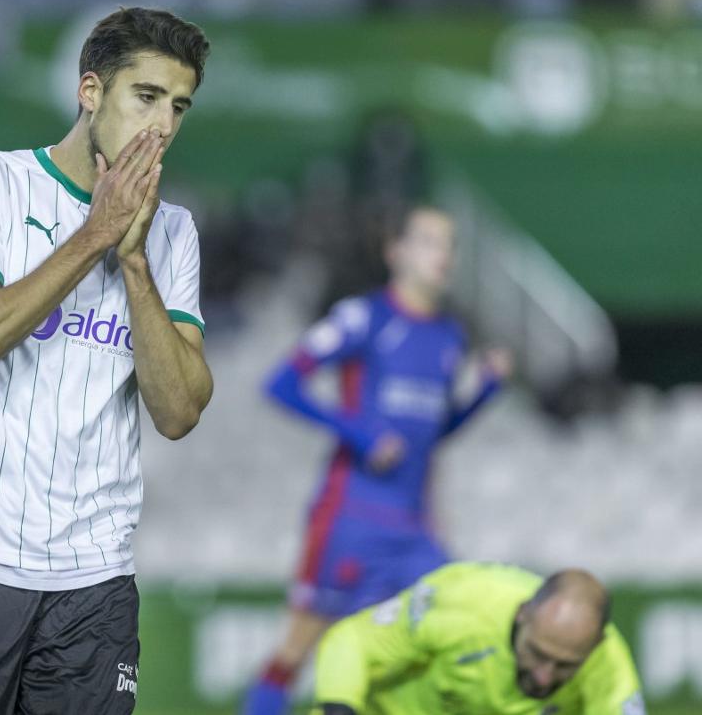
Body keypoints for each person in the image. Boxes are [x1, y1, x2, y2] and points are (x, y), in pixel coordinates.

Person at [0, 7, 213, 714]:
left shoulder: (174, 234)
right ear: (89, 91)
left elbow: (180, 411)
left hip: (94, 585)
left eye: (179, 107)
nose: (162, 127)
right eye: (146, 97)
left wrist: (132, 264)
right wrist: (96, 234)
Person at [244, 206, 512, 715]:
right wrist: (362, 433)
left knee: (453, 630)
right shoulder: (365, 317)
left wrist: (483, 392)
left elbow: (434, 434)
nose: (444, 255)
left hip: (413, 531)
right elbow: (280, 383)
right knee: (297, 648)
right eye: (430, 241)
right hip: (352, 517)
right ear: (397, 252)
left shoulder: (449, 336)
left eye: (450, 244)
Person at [312, 561, 644, 714]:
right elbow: (351, 640)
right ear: (522, 614)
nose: (544, 676)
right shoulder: (465, 601)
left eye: (564, 666)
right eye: (537, 653)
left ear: (595, 647)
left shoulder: (608, 664)